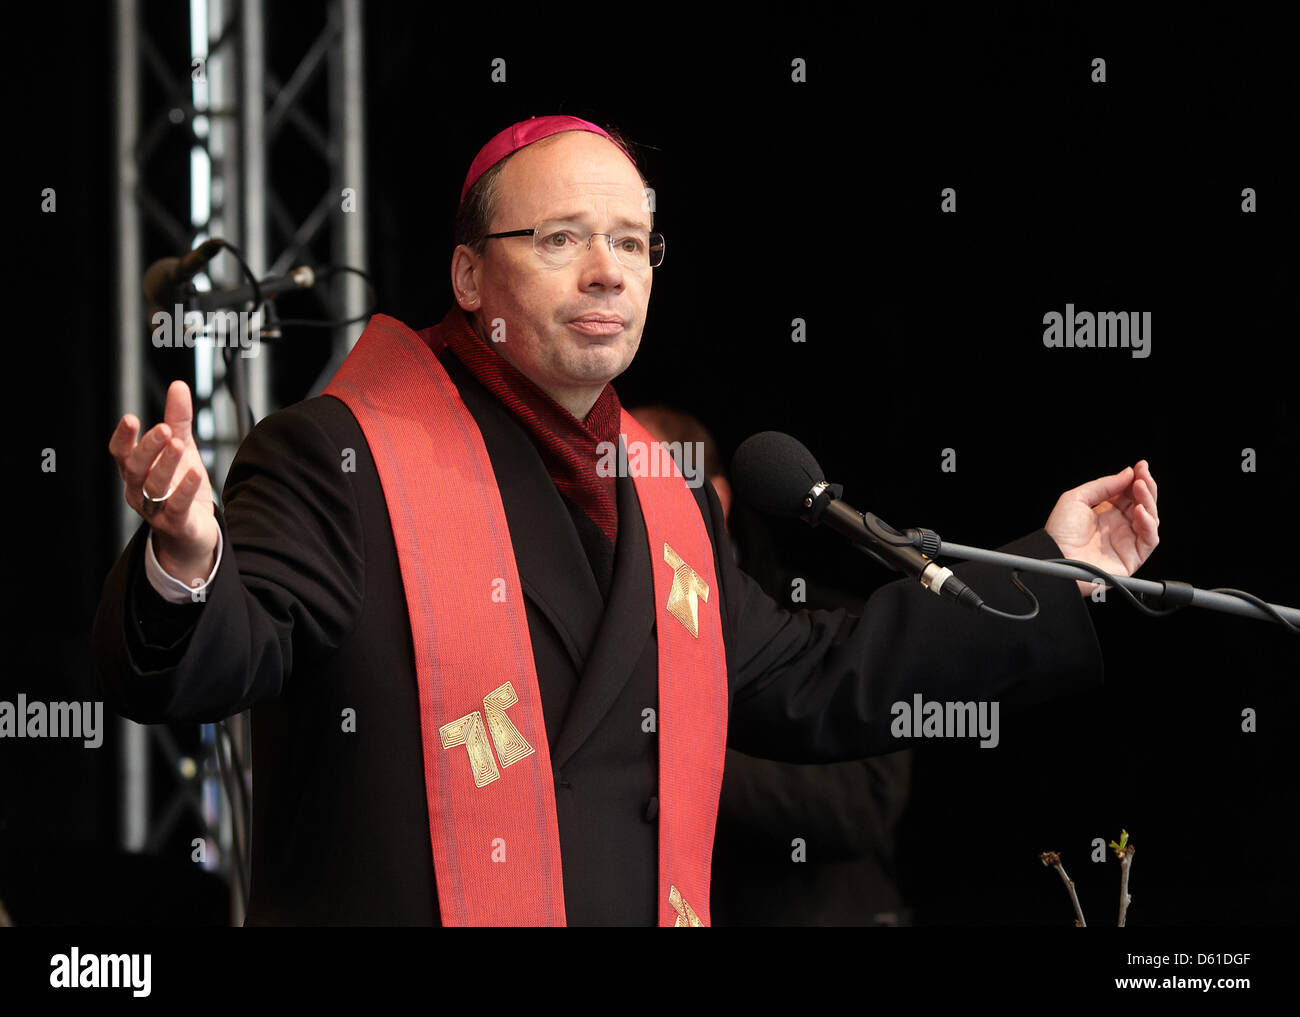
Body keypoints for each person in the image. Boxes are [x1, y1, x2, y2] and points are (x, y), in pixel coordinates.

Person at [96, 115, 1161, 926]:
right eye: (560, 237)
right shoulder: (341, 454)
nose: (608, 268)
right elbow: (209, 667)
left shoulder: (667, 491)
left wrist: (1058, 564)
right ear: (470, 276)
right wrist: (187, 560)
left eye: (632, 241)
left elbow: (809, 680)